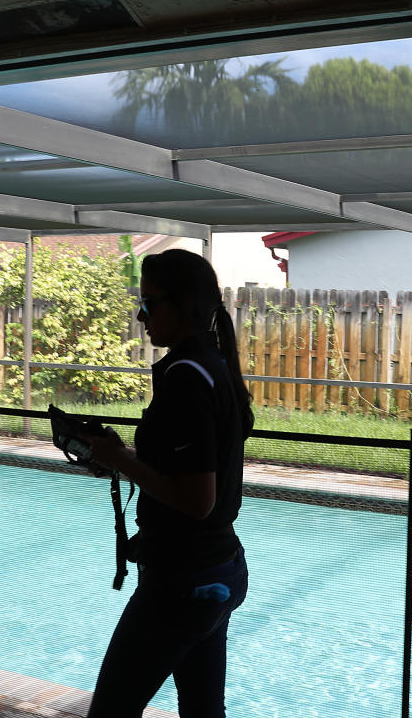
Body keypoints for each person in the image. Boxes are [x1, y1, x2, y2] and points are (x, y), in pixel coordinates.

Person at [82, 249, 253, 718]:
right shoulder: (211, 366)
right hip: (218, 569)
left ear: (185, 307)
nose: (141, 315)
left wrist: (119, 458)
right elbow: (189, 472)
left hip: (182, 582)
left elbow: (197, 501)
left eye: (150, 302)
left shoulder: (186, 379)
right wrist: (122, 459)